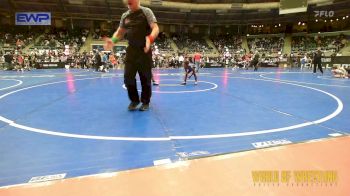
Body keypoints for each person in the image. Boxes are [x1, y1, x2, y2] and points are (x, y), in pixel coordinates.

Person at [104, 0, 159, 111]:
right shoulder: (125, 16)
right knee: (128, 77)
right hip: (131, 50)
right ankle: (134, 100)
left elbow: (155, 28)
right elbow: (120, 33)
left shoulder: (146, 11)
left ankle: (145, 102)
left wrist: (150, 38)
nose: (128, 2)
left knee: (145, 78)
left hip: (144, 49)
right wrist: (113, 40)